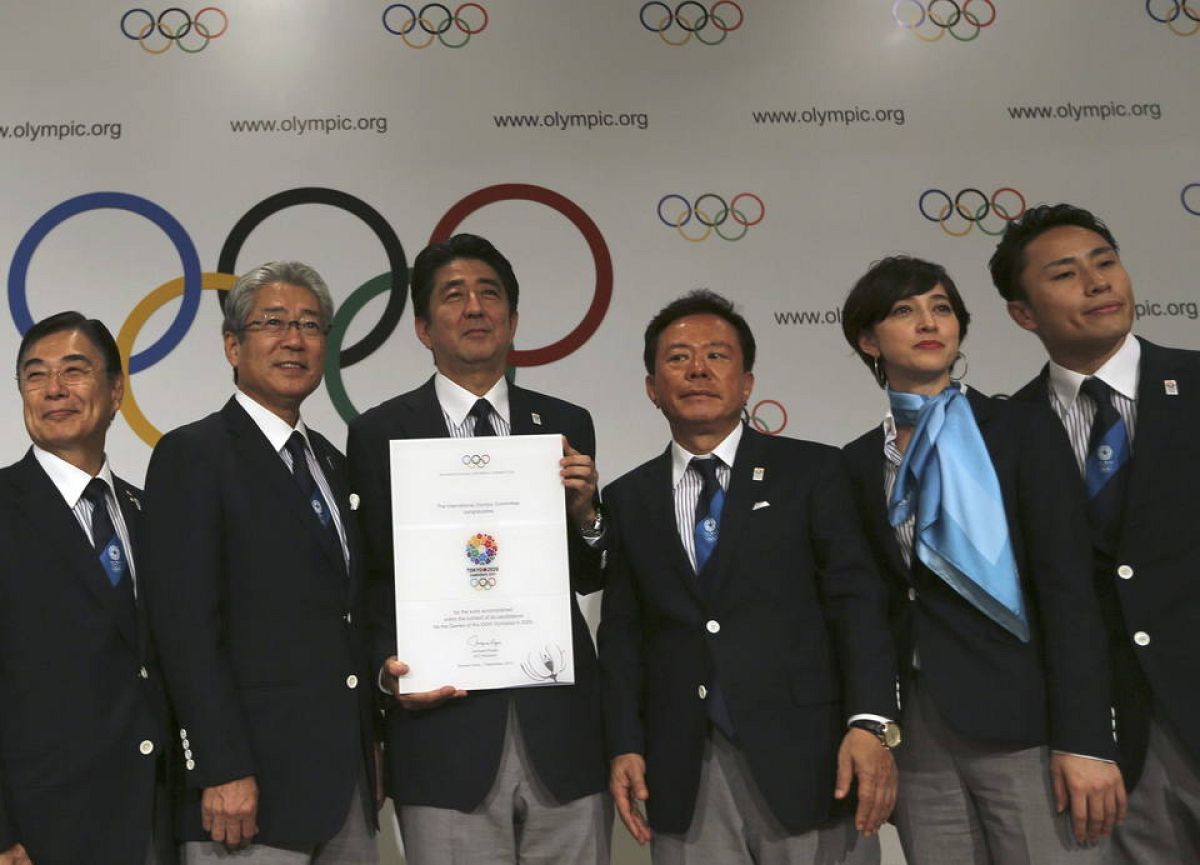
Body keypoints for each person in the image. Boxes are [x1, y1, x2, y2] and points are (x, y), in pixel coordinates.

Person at [838, 255, 1124, 863]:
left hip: (1027, 722)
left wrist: (1086, 739)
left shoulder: (1023, 429)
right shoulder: (856, 463)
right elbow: (867, 604)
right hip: (919, 731)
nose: (928, 322)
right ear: (869, 341)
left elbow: (1068, 590)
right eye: (904, 310)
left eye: (941, 308)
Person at [599, 289, 897, 865]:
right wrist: (624, 743)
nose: (698, 369)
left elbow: (858, 602)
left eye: (717, 355)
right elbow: (622, 635)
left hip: (812, 760)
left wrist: (872, 722)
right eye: (678, 357)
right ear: (652, 387)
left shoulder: (812, 471)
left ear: (747, 383)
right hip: (683, 768)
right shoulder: (628, 497)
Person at [345, 233, 611, 864]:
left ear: (512, 321)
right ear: (422, 328)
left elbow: (587, 574)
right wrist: (386, 670)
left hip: (560, 730)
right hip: (441, 735)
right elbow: (370, 576)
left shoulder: (564, 423)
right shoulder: (379, 432)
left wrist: (588, 515)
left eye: (489, 294)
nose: (474, 308)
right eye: (453, 295)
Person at [0, 312, 171, 865]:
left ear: (115, 391)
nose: (54, 389)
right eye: (35, 375)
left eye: (74, 370)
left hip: (153, 822)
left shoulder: (152, 514)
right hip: (31, 835)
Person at [143, 261, 379, 863]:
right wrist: (220, 766)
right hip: (246, 795)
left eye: (310, 325)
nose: (294, 340)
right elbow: (184, 629)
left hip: (345, 790)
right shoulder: (192, 455)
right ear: (232, 345)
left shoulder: (330, 462)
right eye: (273, 323)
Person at [992, 203, 1200, 861]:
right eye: (1065, 274)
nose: (1098, 282)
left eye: (1105, 262)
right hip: (1120, 749)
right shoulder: (1004, 432)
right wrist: (1080, 734)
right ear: (1023, 313)